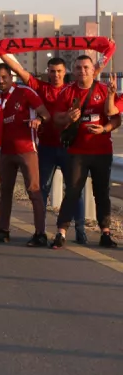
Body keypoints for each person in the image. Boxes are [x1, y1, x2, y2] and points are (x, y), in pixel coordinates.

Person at [1, 53, 87, 243]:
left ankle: (81, 231)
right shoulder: (40, 87)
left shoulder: (72, 90)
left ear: (65, 72)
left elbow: (90, 71)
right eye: (52, 71)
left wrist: (107, 53)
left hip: (68, 148)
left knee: (74, 190)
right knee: (41, 191)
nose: (55, 75)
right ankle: (40, 232)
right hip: (45, 148)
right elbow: (19, 70)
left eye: (59, 71)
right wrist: (0, 52)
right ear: (47, 72)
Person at [0, 63, 50, 246]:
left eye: (3, 77)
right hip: (6, 152)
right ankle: (3, 230)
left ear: (11, 77)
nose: (0, 81)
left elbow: (46, 114)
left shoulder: (25, 93)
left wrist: (38, 120)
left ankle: (40, 233)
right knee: (5, 192)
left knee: (34, 191)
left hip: (26, 150)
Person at [50, 55, 120, 249]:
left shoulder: (104, 90)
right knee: (72, 192)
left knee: (102, 193)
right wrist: (68, 117)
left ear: (93, 69)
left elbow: (115, 118)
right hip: (76, 152)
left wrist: (104, 129)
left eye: (86, 67)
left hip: (101, 151)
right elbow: (56, 119)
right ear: (74, 71)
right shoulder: (67, 91)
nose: (83, 71)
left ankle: (105, 233)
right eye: (79, 68)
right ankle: (61, 232)